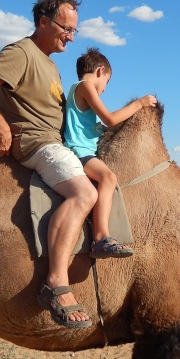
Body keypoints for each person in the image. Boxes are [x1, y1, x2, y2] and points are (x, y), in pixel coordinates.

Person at [0, 0, 97, 330]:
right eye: (65, 28)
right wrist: (2, 130)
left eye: (74, 31)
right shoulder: (20, 52)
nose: (70, 36)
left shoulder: (49, 63)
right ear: (42, 22)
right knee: (85, 194)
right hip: (39, 145)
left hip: (54, 142)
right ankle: (56, 282)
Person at [64, 47, 157, 258]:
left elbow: (100, 126)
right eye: (107, 81)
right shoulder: (85, 86)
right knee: (108, 178)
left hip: (84, 149)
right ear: (100, 71)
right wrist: (139, 103)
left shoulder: (78, 90)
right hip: (79, 151)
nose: (104, 89)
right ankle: (101, 238)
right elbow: (110, 119)